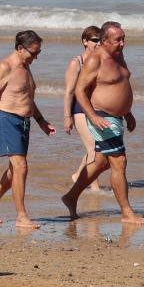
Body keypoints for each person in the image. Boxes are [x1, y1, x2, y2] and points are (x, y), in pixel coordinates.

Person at [61, 22, 144, 224]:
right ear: (104, 40)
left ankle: (71, 197)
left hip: (117, 117)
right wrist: (93, 116)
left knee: (100, 162)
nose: (122, 43)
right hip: (103, 117)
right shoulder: (95, 60)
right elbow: (79, 91)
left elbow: (122, 84)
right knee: (119, 161)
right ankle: (127, 213)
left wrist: (128, 113)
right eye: (118, 39)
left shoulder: (119, 56)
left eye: (124, 38)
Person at [0, 30, 56, 229]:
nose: (36, 57)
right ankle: (21, 217)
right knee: (21, 167)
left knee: (15, 170)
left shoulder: (26, 66)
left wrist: (41, 121)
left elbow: (28, 98)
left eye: (39, 53)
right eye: (33, 53)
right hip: (7, 119)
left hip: (24, 122)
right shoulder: (6, 67)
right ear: (20, 48)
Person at [63, 26, 104, 191]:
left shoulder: (101, 60)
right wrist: (67, 116)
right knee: (94, 148)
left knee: (98, 146)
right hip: (79, 107)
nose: (98, 43)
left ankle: (78, 175)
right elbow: (69, 92)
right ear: (85, 41)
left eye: (100, 40)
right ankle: (94, 186)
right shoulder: (76, 62)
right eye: (95, 40)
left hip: (96, 108)